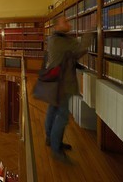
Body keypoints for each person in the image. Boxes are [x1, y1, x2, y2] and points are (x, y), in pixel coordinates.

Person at [44, 16, 90, 163]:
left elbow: (72, 55)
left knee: (52, 111)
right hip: (62, 84)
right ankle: (56, 150)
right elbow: (81, 48)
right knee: (62, 117)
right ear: (57, 26)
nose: (69, 24)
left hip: (54, 82)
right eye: (65, 22)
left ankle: (50, 139)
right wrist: (92, 29)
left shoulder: (55, 39)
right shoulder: (61, 41)